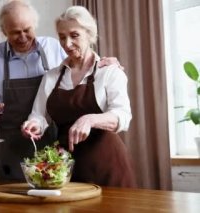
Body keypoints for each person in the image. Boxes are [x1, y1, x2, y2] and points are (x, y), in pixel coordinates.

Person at [0, 0, 121, 184]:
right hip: (11, 154)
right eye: (15, 32)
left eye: (27, 30)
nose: (23, 37)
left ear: (35, 25)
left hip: (54, 152)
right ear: (4, 32)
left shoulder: (54, 48)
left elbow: (82, 59)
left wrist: (105, 62)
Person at [21, 6, 136, 187]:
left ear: (90, 35)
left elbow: (122, 116)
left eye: (74, 35)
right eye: (62, 37)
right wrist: (34, 124)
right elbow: (39, 115)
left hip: (108, 166)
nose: (67, 44)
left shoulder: (109, 72)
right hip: (66, 169)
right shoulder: (51, 77)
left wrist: (90, 120)